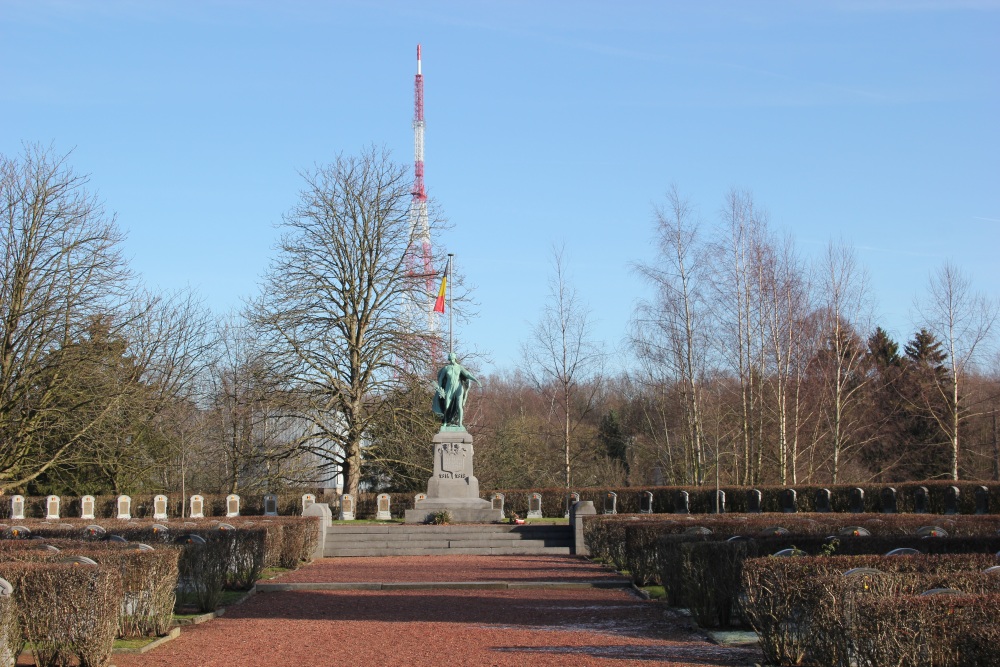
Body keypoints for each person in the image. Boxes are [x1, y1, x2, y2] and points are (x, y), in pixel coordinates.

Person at [432, 352, 481, 429]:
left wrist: (476, 380)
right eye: (450, 359)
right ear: (449, 359)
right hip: (449, 388)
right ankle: (445, 422)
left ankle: (460, 423)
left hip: (458, 388)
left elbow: (468, 374)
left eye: (453, 358)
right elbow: (441, 379)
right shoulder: (446, 368)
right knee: (446, 405)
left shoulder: (459, 367)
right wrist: (440, 388)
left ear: (455, 358)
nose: (451, 360)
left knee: (459, 405)